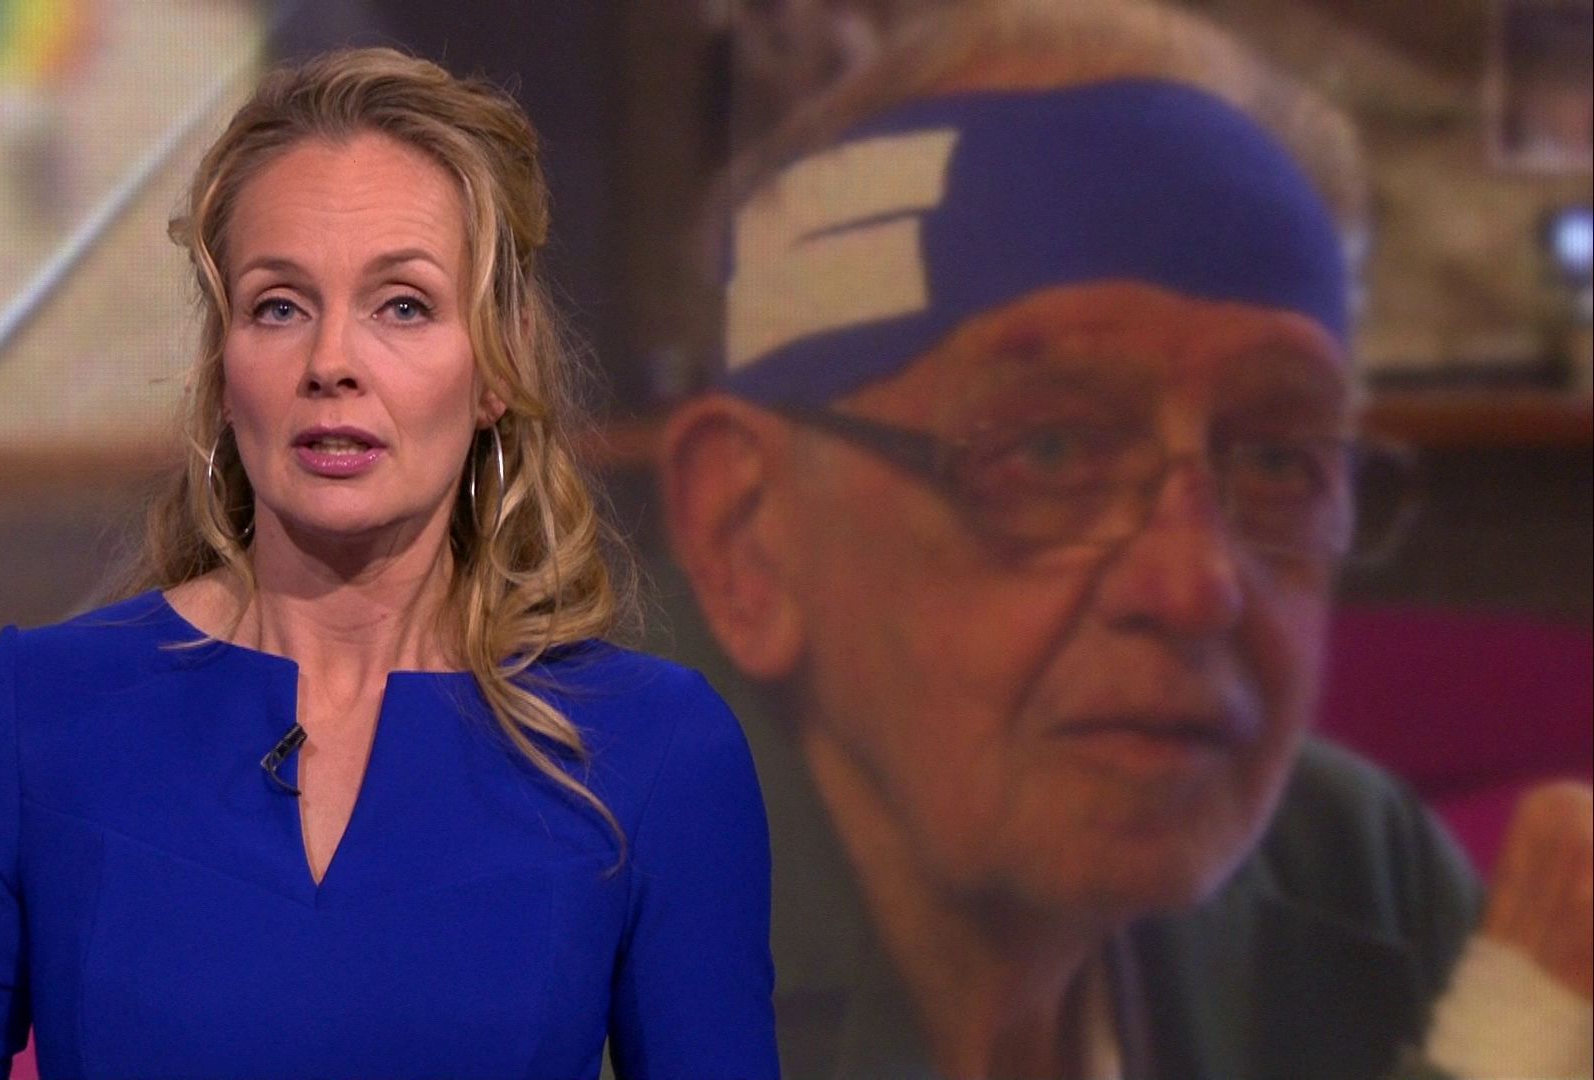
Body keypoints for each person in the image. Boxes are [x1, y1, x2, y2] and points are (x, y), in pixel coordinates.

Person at [661, 2, 1593, 1077]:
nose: (1194, 585)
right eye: (1049, 450)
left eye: (1279, 461)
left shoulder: (1352, 879)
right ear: (749, 536)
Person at [0, 47, 777, 1078]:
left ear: (498, 363)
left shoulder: (654, 752)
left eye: (403, 305)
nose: (331, 363)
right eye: (279, 306)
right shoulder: (13, 726)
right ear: (223, 364)